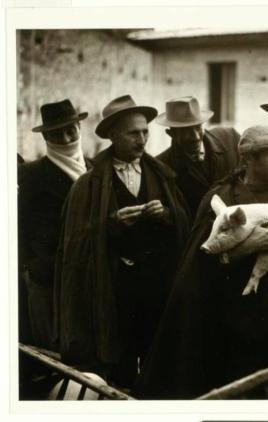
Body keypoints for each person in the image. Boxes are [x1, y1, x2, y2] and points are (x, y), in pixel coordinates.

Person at [134, 126, 268, 399]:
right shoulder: (223, 200)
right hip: (236, 329)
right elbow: (198, 265)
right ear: (248, 159)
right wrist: (248, 248)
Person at [54, 95, 191, 390]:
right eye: (133, 133)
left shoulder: (162, 176)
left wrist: (166, 214)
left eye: (145, 131)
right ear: (113, 136)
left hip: (157, 282)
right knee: (121, 354)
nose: (142, 139)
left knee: (157, 351)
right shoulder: (89, 184)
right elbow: (78, 243)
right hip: (117, 285)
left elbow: (183, 222)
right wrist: (112, 225)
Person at [18, 99, 91, 349]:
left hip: (86, 273)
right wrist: (29, 268)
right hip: (48, 277)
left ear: (80, 129)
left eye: (71, 130)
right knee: (52, 347)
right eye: (57, 133)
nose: (66, 138)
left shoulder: (92, 168)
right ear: (47, 137)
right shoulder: (32, 174)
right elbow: (20, 225)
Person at [156, 97, 240, 216]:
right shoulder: (162, 166)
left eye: (198, 127)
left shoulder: (230, 139)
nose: (195, 137)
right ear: (171, 134)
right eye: (186, 131)